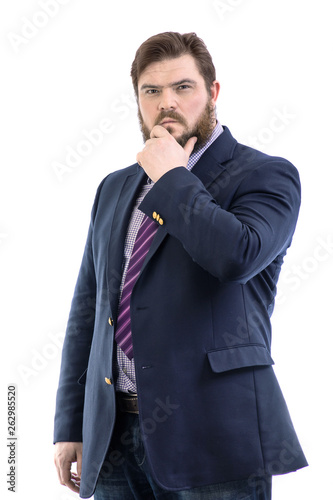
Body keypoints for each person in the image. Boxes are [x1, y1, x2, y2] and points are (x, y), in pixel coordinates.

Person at [54, 31, 308, 499]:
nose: (166, 102)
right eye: (151, 91)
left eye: (183, 88)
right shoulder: (114, 187)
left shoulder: (266, 174)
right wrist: (70, 422)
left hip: (214, 435)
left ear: (213, 93)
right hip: (113, 435)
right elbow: (88, 308)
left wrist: (172, 175)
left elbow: (237, 256)